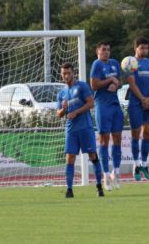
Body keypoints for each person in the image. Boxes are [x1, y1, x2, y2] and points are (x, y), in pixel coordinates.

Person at [57, 63, 104, 198]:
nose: (66, 76)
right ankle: (69, 189)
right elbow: (59, 114)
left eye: (68, 73)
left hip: (85, 127)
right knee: (70, 158)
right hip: (71, 130)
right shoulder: (61, 93)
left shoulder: (82, 86)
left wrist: (76, 112)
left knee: (92, 155)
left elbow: (91, 103)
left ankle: (99, 186)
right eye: (64, 73)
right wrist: (64, 109)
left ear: (73, 73)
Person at [90, 41, 123, 190]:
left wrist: (116, 85)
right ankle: (105, 174)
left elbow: (120, 82)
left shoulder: (115, 63)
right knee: (104, 140)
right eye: (103, 49)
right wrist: (109, 80)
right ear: (97, 51)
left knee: (117, 139)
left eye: (108, 50)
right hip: (102, 106)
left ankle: (116, 173)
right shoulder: (97, 65)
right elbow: (94, 85)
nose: (106, 52)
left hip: (115, 105)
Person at [127, 37, 149, 181]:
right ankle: (136, 164)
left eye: (146, 48)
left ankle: (144, 164)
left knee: (147, 133)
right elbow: (132, 84)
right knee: (135, 133)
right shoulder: (131, 63)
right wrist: (142, 99)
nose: (144, 50)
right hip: (135, 102)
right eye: (141, 48)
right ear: (136, 49)